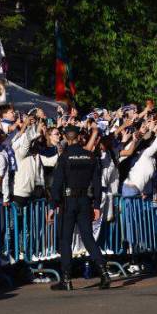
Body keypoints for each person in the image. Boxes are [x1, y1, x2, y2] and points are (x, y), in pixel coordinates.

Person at [49, 124, 110, 291]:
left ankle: (66, 279)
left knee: (65, 240)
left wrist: (52, 206)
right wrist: (96, 204)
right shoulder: (90, 157)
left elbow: (57, 183)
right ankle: (104, 273)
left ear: (66, 139)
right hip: (84, 201)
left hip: (68, 202)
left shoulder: (64, 157)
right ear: (79, 138)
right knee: (88, 238)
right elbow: (97, 183)